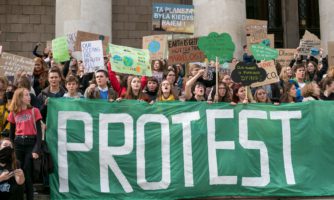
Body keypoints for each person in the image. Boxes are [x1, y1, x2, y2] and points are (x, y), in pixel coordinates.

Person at [8, 88, 42, 200]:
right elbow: (11, 133)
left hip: (30, 143)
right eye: (26, 95)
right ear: (19, 98)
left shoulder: (34, 111)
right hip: (18, 143)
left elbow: (39, 133)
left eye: (29, 95)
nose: (29, 97)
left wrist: (37, 149)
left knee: (27, 172)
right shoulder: (14, 112)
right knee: (17, 171)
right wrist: (11, 147)